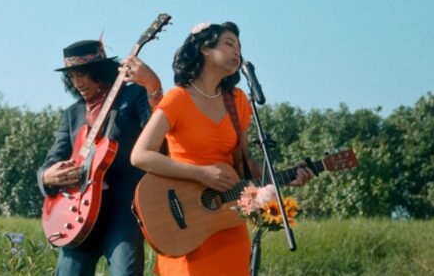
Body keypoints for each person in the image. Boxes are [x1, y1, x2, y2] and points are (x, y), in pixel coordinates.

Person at [130, 21, 314, 276]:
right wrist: (202, 174)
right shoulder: (178, 98)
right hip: (185, 223)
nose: (237, 51)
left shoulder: (237, 101)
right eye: (229, 44)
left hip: (227, 220)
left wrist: (286, 176)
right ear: (205, 49)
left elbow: (245, 165)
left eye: (239, 46)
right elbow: (140, 156)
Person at [38, 38, 163, 276]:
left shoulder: (134, 95)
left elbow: (158, 139)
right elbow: (53, 158)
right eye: (72, 77)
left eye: (82, 74)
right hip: (77, 213)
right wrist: (46, 176)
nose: (77, 83)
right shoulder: (73, 114)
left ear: (100, 70)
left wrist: (153, 87)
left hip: (122, 209)